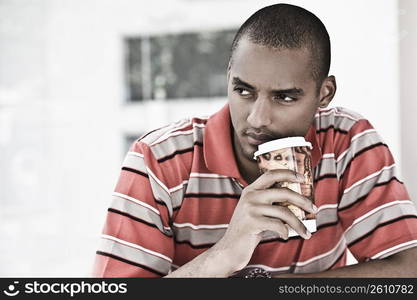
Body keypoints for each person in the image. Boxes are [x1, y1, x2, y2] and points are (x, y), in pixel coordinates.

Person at [92, 3, 417, 278]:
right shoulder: (159, 161)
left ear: (324, 94)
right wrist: (224, 254)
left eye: (285, 97)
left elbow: (407, 269)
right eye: (243, 90)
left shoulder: (346, 142)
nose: (258, 118)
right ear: (228, 77)